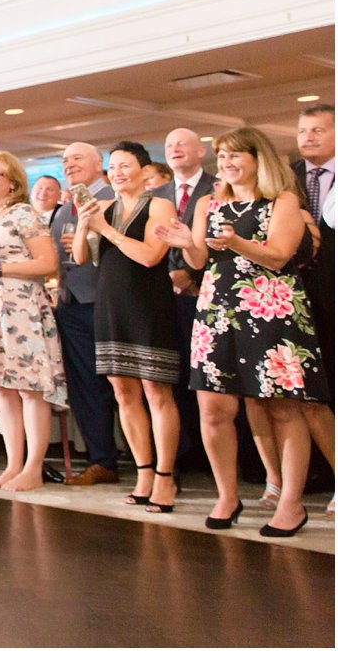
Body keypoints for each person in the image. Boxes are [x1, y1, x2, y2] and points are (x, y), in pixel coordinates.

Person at [157, 126, 327, 536]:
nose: (227, 163)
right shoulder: (209, 204)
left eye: (235, 155)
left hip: (270, 308)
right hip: (216, 311)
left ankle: (291, 504)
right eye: (222, 156)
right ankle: (227, 495)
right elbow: (199, 261)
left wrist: (235, 242)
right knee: (213, 408)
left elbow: (278, 255)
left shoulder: (281, 201)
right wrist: (185, 242)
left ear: (258, 158)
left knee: (282, 408)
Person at [74, 142, 180, 511]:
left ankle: (166, 477)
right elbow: (81, 257)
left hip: (148, 305)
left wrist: (108, 230)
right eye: (113, 167)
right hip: (109, 305)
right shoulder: (103, 208)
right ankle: (144, 471)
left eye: (126, 165)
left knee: (156, 390)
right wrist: (85, 223)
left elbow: (151, 256)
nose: (117, 173)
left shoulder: (160, 205)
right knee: (123, 392)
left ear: (144, 170)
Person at [0, 151, 65, 492]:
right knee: (2, 389)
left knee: (30, 387)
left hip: (20, 310)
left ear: (14, 183)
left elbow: (47, 262)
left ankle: (34, 467)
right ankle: (13, 464)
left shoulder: (24, 214)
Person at [50, 142, 120, 486]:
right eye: (65, 160)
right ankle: (101, 458)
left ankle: (155, 462)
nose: (69, 164)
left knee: (126, 385)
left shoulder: (114, 198)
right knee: (85, 387)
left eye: (77, 158)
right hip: (71, 303)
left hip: (108, 301)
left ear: (98, 163)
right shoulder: (65, 208)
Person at [157, 127, 216, 473]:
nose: (174, 149)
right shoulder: (160, 194)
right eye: (169, 144)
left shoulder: (216, 189)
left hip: (207, 294)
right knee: (176, 375)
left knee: (210, 379)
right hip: (167, 299)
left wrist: (191, 275)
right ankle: (186, 451)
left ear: (201, 151)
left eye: (182, 144)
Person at [292, 103, 335, 517]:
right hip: (296, 296)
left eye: (319, 130)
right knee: (310, 392)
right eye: (304, 130)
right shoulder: (288, 178)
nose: (309, 137)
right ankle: (320, 473)